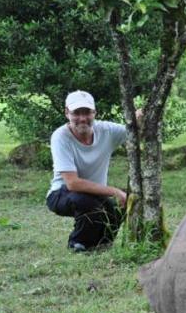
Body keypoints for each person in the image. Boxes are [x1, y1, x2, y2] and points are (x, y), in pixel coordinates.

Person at [46, 90, 132, 253]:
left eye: (87, 112)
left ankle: (103, 244)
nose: (82, 118)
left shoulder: (107, 130)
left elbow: (135, 131)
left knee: (117, 208)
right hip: (61, 193)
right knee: (87, 203)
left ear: (95, 113)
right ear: (66, 113)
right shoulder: (60, 137)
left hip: (95, 194)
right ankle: (77, 243)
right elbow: (72, 183)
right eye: (76, 113)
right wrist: (115, 191)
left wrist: (139, 118)